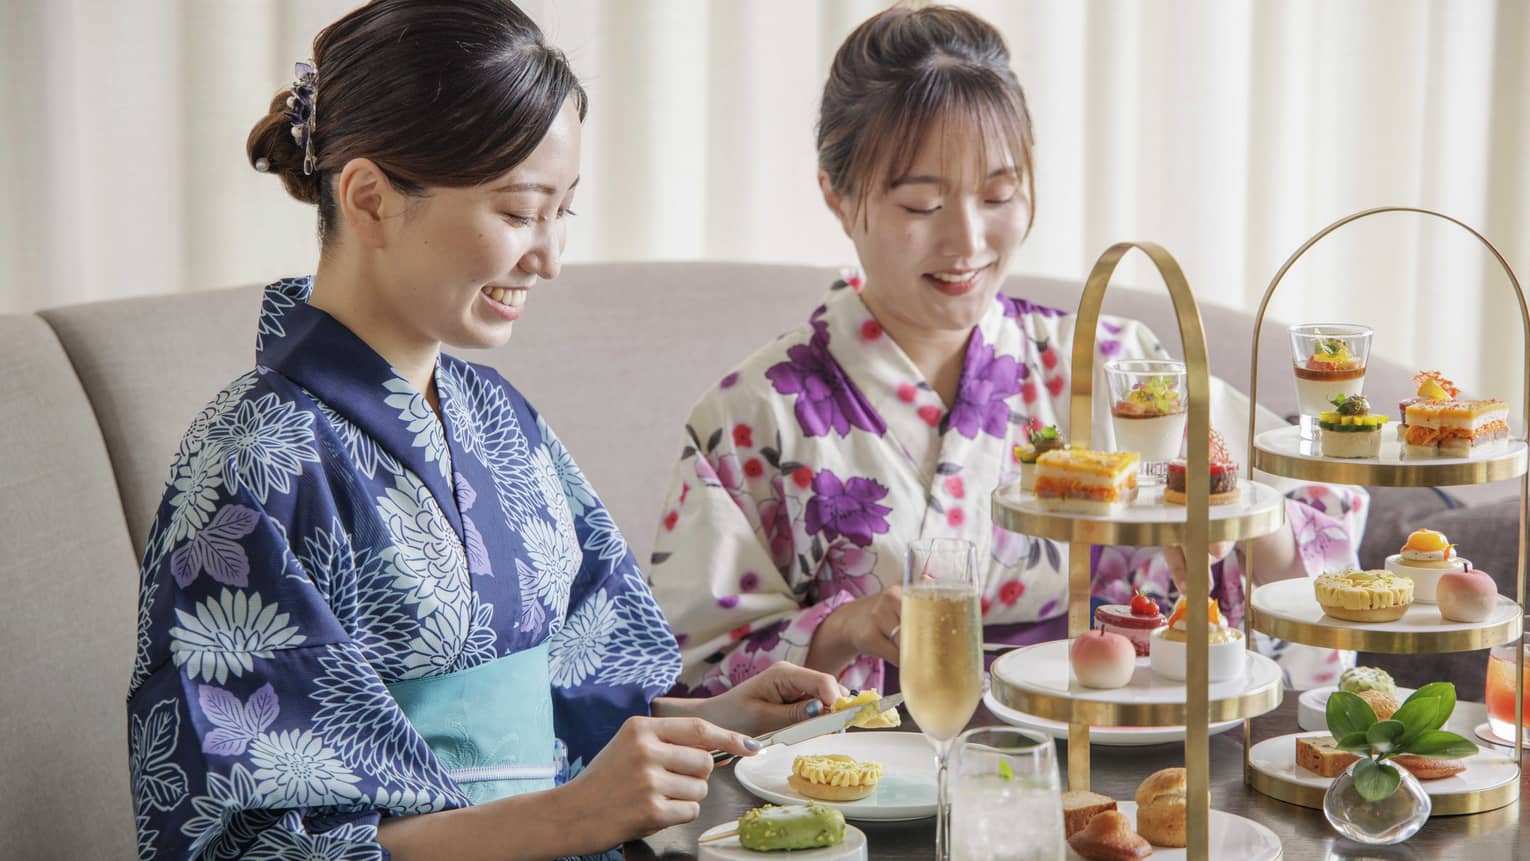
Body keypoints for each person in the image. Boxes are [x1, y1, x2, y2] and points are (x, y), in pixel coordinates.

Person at [125, 3, 837, 859]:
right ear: (370, 199)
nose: (551, 257)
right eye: (519, 212)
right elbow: (243, 840)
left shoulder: (498, 418)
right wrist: (571, 817)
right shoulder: (250, 464)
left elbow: (561, 696)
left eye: (563, 210)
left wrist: (712, 718)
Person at [648, 3, 1364, 698]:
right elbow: (686, 676)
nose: (967, 242)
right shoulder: (753, 415)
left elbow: (1316, 551)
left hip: (1123, 763)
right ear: (837, 195)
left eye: (998, 195)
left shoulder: (1119, 369)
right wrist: (847, 626)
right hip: (877, 783)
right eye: (922, 206)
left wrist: (1237, 529)